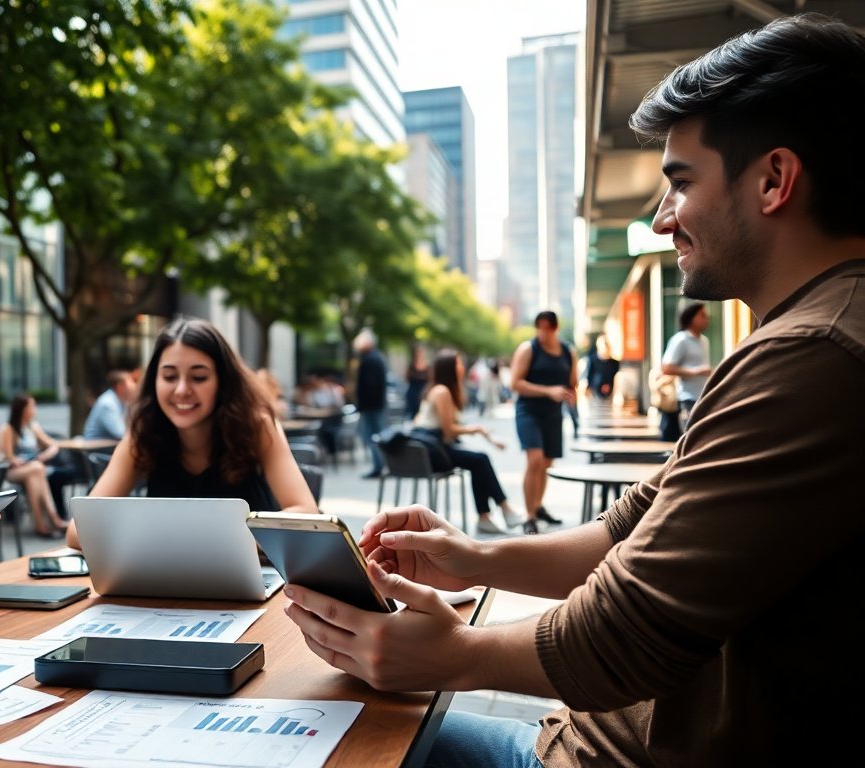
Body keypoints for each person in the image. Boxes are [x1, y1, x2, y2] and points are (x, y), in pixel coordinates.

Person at [281, 14, 865, 765]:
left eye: (681, 184)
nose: (661, 220)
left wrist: (450, 655)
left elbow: (624, 636)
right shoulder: (808, 336)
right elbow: (623, 534)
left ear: (775, 181)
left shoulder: (814, 354)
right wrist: (474, 557)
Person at [66, 317, 316, 549]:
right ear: (155, 381)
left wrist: (180, 540)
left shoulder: (257, 427)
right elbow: (78, 531)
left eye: (198, 377)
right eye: (169, 376)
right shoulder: (144, 433)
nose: (182, 389)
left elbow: (307, 514)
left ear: (223, 382)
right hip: (166, 585)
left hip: (258, 585)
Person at [411, 350, 526, 535]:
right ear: (449, 368)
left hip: (430, 449)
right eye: (458, 363)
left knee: (477, 461)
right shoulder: (442, 391)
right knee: (479, 459)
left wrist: (482, 433)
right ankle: (501, 510)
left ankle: (487, 516)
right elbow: (449, 429)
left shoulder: (436, 389)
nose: (462, 366)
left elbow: (422, 421)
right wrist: (477, 430)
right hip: (432, 453)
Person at [510, 311, 575, 529]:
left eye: (547, 328)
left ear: (555, 328)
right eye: (539, 327)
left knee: (546, 463)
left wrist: (571, 394)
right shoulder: (528, 349)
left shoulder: (568, 351)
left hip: (553, 414)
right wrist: (548, 391)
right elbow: (515, 383)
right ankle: (529, 516)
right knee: (535, 459)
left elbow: (572, 382)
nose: (542, 332)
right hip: (528, 411)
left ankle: (538, 506)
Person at [0, 393, 73, 537]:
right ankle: (53, 519)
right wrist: (15, 460)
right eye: (32, 406)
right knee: (37, 469)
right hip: (12, 471)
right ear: (22, 409)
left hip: (33, 469)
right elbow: (6, 456)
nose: (35, 409)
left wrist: (46, 454)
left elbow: (53, 445)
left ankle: (41, 524)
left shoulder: (33, 427)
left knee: (36, 472)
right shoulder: (8, 429)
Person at [659, 302, 712, 441]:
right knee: (690, 439)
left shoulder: (704, 341)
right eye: (702, 315)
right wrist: (695, 372)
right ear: (692, 318)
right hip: (687, 397)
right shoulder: (680, 340)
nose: (707, 318)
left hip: (704, 397)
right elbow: (666, 367)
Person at [353, 328, 389, 479]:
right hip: (375, 405)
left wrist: (362, 406)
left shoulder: (369, 359)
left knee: (371, 436)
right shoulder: (376, 357)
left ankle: (379, 466)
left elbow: (369, 385)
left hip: (371, 407)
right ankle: (381, 465)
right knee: (375, 436)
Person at [82, 368, 139, 440]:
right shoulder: (108, 404)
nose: (134, 386)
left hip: (109, 447)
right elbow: (121, 433)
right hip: (96, 449)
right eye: (131, 381)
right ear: (120, 386)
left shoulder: (122, 402)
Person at [584, 334, 620, 403]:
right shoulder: (592, 360)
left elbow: (617, 379)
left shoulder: (615, 363)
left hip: (611, 396)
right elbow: (588, 376)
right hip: (595, 396)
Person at [402, 348, 429, 421]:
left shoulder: (427, 367)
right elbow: (407, 377)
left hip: (422, 392)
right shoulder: (411, 366)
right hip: (413, 392)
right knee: (412, 413)